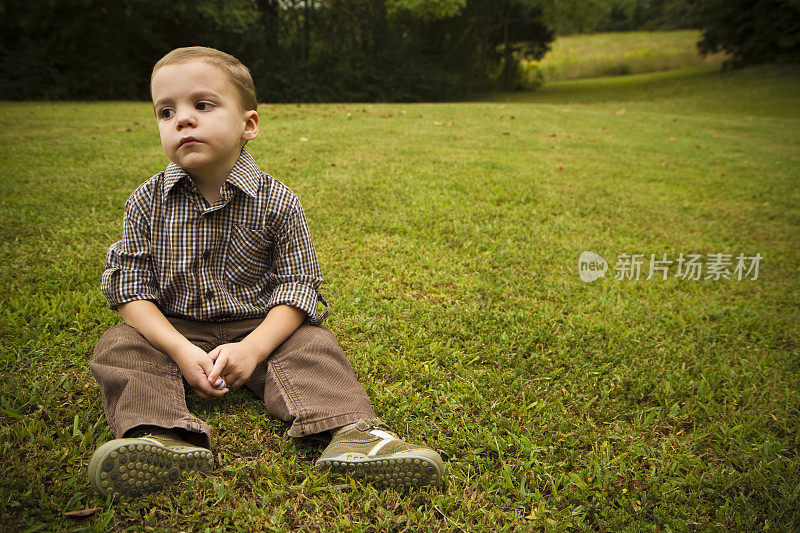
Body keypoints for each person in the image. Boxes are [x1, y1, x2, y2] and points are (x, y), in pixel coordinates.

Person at [88, 46, 443, 498]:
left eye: (202, 105)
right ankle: (159, 436)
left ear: (248, 125)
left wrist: (254, 349)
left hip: (260, 324)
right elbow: (129, 290)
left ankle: (353, 435)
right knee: (121, 345)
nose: (182, 119)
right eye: (165, 111)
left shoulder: (277, 202)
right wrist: (178, 349)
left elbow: (298, 288)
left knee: (314, 345)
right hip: (175, 326)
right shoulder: (146, 202)